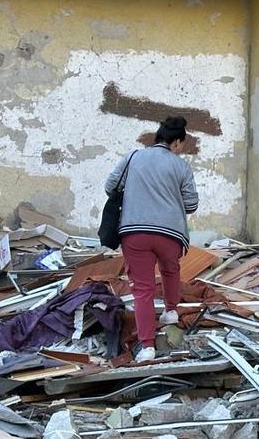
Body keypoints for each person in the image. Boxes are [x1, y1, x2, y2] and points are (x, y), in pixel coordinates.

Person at [104, 116, 198, 362]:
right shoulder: (181, 166)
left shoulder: (133, 157)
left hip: (135, 231)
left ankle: (147, 347)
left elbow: (110, 185)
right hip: (170, 232)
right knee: (170, 269)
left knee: (142, 290)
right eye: (181, 144)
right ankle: (170, 311)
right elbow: (191, 204)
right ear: (176, 142)